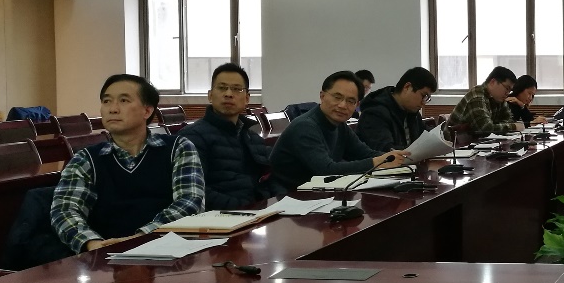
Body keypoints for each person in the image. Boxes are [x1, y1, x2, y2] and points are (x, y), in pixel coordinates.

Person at [50, 73, 205, 254]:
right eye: (106, 101)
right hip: (106, 254)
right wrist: (91, 243)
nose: (112, 109)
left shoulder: (178, 148)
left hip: (171, 251)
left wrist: (140, 238)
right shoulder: (86, 159)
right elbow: (64, 210)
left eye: (123, 101)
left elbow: (190, 202)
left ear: (147, 111)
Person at [270, 70, 410, 188]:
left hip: (319, 193)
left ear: (357, 105)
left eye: (350, 101)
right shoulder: (305, 126)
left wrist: (395, 157)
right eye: (337, 97)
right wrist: (377, 162)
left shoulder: (340, 125)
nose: (343, 105)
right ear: (322, 96)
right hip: (286, 197)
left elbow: (364, 153)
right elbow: (326, 170)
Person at [181, 63, 286, 209]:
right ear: (210, 95)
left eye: (237, 89)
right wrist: (247, 208)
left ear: (247, 98)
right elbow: (196, 192)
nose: (229, 94)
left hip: (256, 213)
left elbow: (268, 179)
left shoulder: (252, 137)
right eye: (222, 88)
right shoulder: (192, 137)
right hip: (221, 216)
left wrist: (281, 202)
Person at [357, 66, 437, 152]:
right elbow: (387, 151)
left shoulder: (412, 112)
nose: (424, 102)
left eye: (427, 98)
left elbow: (424, 136)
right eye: (423, 96)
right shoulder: (375, 113)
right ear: (407, 87)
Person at [449, 66, 523, 137]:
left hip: (475, 142)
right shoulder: (477, 96)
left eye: (510, 90)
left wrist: (497, 126)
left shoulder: (498, 98)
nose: (507, 93)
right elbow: (485, 129)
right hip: (453, 143)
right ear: (493, 82)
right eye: (507, 88)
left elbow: (510, 119)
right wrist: (513, 127)